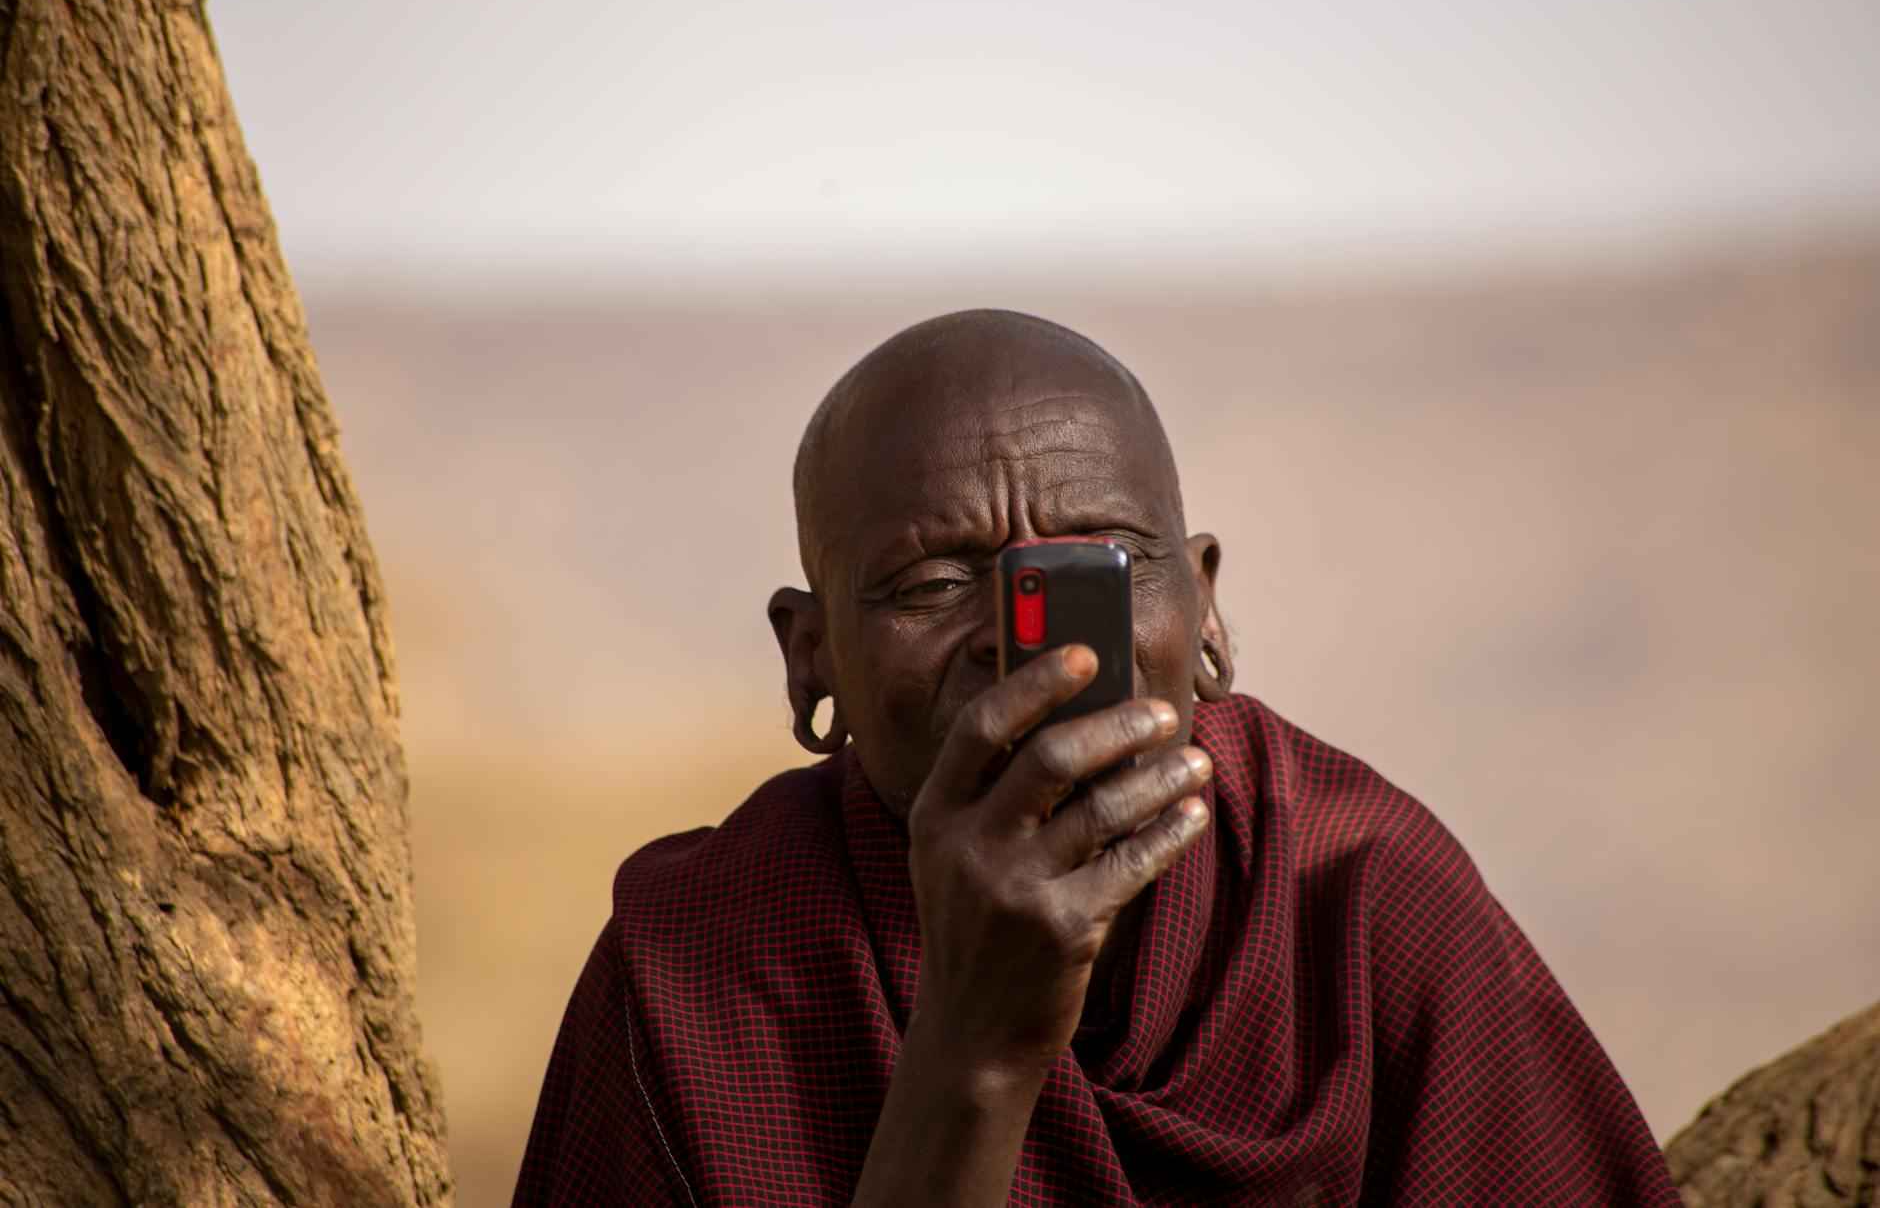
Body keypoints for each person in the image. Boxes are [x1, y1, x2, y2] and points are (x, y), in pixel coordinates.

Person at [513, 310, 1682, 1206]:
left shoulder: (1360, 893)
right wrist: (974, 1044)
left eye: (1096, 571)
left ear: (1207, 611)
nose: (1022, 647)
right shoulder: (696, 961)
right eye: (930, 583)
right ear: (811, 655)